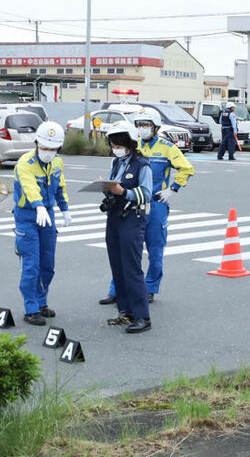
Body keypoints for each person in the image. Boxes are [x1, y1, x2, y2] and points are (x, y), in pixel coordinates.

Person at [98, 112, 194, 306]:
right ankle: (116, 289)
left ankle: (149, 288)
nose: (142, 128)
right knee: (125, 250)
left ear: (156, 127)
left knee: (155, 249)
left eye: (146, 124)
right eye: (139, 124)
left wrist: (173, 189)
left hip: (155, 203)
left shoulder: (167, 148)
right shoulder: (133, 145)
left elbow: (186, 168)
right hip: (130, 203)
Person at [12, 121, 71, 326]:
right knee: (31, 265)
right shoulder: (25, 163)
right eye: (44, 147)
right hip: (28, 216)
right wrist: (38, 206)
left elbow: (59, 186)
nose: (48, 152)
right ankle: (31, 308)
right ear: (37, 143)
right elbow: (29, 187)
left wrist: (65, 209)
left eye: (53, 149)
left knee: (48, 264)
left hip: (48, 216)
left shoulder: (57, 162)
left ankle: (41, 301)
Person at [101, 121, 153, 334]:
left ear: (130, 143)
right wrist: (106, 187)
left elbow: (147, 194)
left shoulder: (142, 165)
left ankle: (142, 317)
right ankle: (126, 311)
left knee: (131, 268)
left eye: (119, 143)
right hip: (114, 216)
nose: (116, 147)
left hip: (132, 217)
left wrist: (124, 192)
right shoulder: (117, 162)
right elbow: (115, 185)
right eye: (113, 144)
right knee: (117, 266)